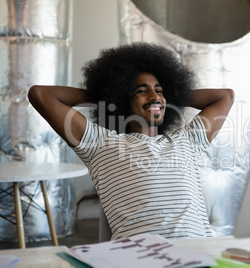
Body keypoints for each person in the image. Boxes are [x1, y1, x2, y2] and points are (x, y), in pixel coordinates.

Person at [28, 42, 234, 240]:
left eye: (160, 90)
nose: (155, 97)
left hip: (199, 255)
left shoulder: (187, 140)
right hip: (139, 258)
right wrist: (106, 96)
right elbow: (41, 94)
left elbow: (225, 96)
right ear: (123, 98)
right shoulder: (100, 144)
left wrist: (172, 97)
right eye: (142, 91)